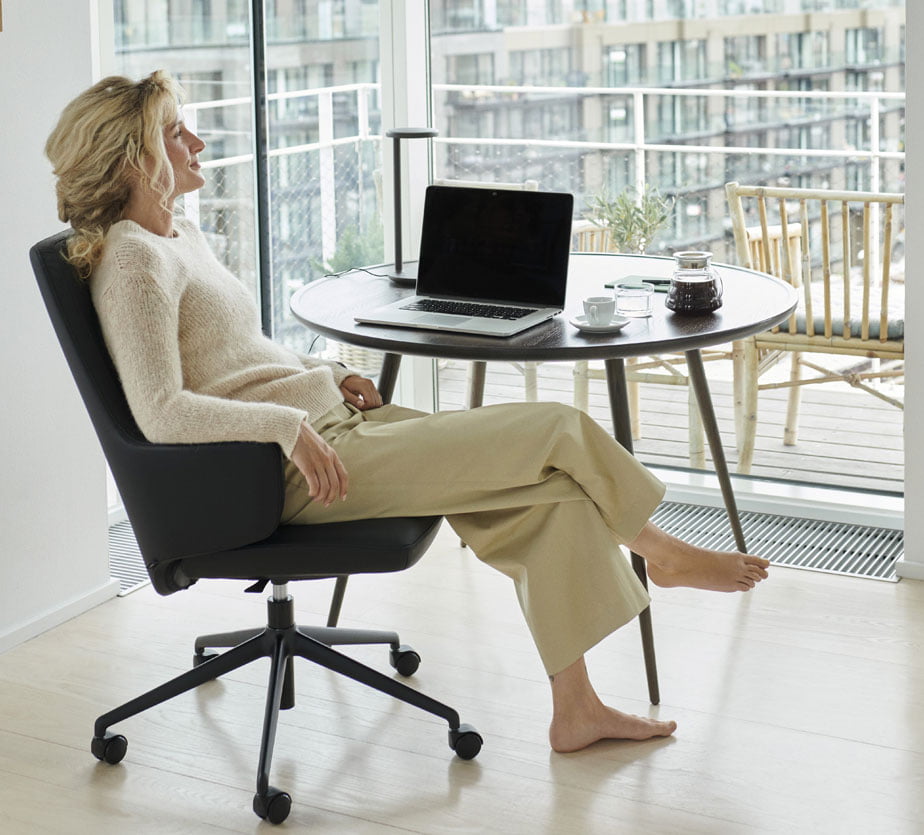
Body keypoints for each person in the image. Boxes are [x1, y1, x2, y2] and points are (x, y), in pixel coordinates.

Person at [45, 71, 770, 753]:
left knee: (552, 498)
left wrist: (329, 373)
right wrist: (287, 426)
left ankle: (576, 711)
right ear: (136, 160)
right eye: (176, 133)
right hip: (282, 471)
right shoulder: (134, 261)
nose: (197, 142)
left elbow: (243, 357)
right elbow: (161, 412)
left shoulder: (181, 236)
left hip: (331, 425)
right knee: (557, 425)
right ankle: (661, 553)